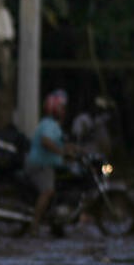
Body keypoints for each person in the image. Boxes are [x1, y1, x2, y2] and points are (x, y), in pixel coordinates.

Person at [26, 89, 78, 232]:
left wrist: (75, 150)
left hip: (49, 165)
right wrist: (61, 152)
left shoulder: (55, 126)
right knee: (48, 191)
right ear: (53, 108)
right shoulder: (48, 124)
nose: (63, 111)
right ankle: (34, 224)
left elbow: (60, 143)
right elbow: (46, 142)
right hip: (40, 165)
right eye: (61, 108)